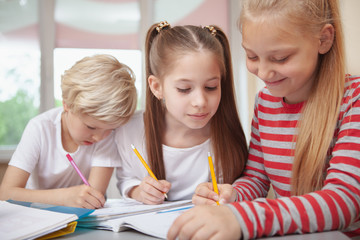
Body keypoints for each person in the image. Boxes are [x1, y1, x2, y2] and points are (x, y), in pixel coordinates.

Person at [168, 0, 360, 239]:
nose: (264, 73)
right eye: (252, 56)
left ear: (323, 40)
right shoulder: (265, 102)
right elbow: (256, 179)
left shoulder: (354, 100)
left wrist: (242, 217)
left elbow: (345, 201)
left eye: (280, 58)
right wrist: (231, 196)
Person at [114, 21, 248, 204]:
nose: (200, 102)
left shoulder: (226, 137)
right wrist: (138, 191)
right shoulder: (129, 131)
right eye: (184, 89)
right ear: (157, 87)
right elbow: (126, 180)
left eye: (211, 87)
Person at [0, 54, 137, 209]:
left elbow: (93, 197)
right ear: (67, 104)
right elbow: (6, 193)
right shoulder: (40, 128)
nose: (99, 137)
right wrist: (63, 197)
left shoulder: (106, 136)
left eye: (110, 129)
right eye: (91, 127)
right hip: (36, 217)